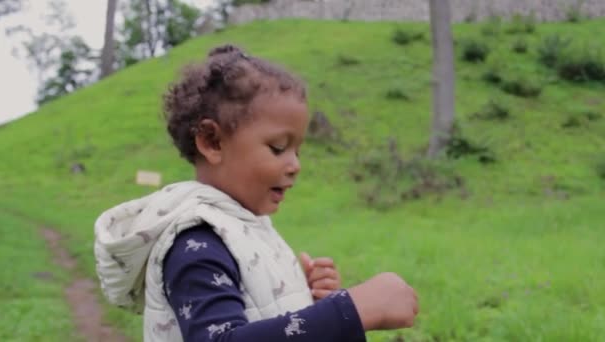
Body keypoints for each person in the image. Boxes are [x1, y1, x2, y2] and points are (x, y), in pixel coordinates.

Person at [94, 44, 418, 342]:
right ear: (212, 142)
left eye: (298, 151)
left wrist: (305, 298)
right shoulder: (195, 244)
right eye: (278, 148)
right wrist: (352, 310)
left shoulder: (246, 226)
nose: (295, 166)